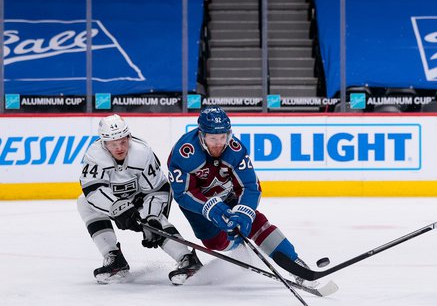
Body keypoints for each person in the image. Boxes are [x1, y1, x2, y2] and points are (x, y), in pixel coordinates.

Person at [167, 106, 317, 285]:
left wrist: (244, 211)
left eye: (223, 137)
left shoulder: (235, 150)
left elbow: (250, 186)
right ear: (202, 135)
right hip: (198, 208)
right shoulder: (184, 154)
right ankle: (238, 245)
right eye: (213, 138)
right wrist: (209, 207)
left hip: (228, 195)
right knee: (216, 243)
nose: (218, 143)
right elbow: (183, 193)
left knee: (255, 222)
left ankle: (295, 264)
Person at [77, 114, 202, 285]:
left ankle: (187, 258)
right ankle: (114, 258)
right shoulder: (94, 156)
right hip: (115, 202)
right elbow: (92, 191)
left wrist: (150, 217)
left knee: (154, 223)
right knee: (84, 203)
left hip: (143, 198)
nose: (120, 147)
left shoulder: (142, 152)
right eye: (113, 144)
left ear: (128, 137)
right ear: (104, 143)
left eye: (123, 141)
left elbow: (158, 189)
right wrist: (117, 207)